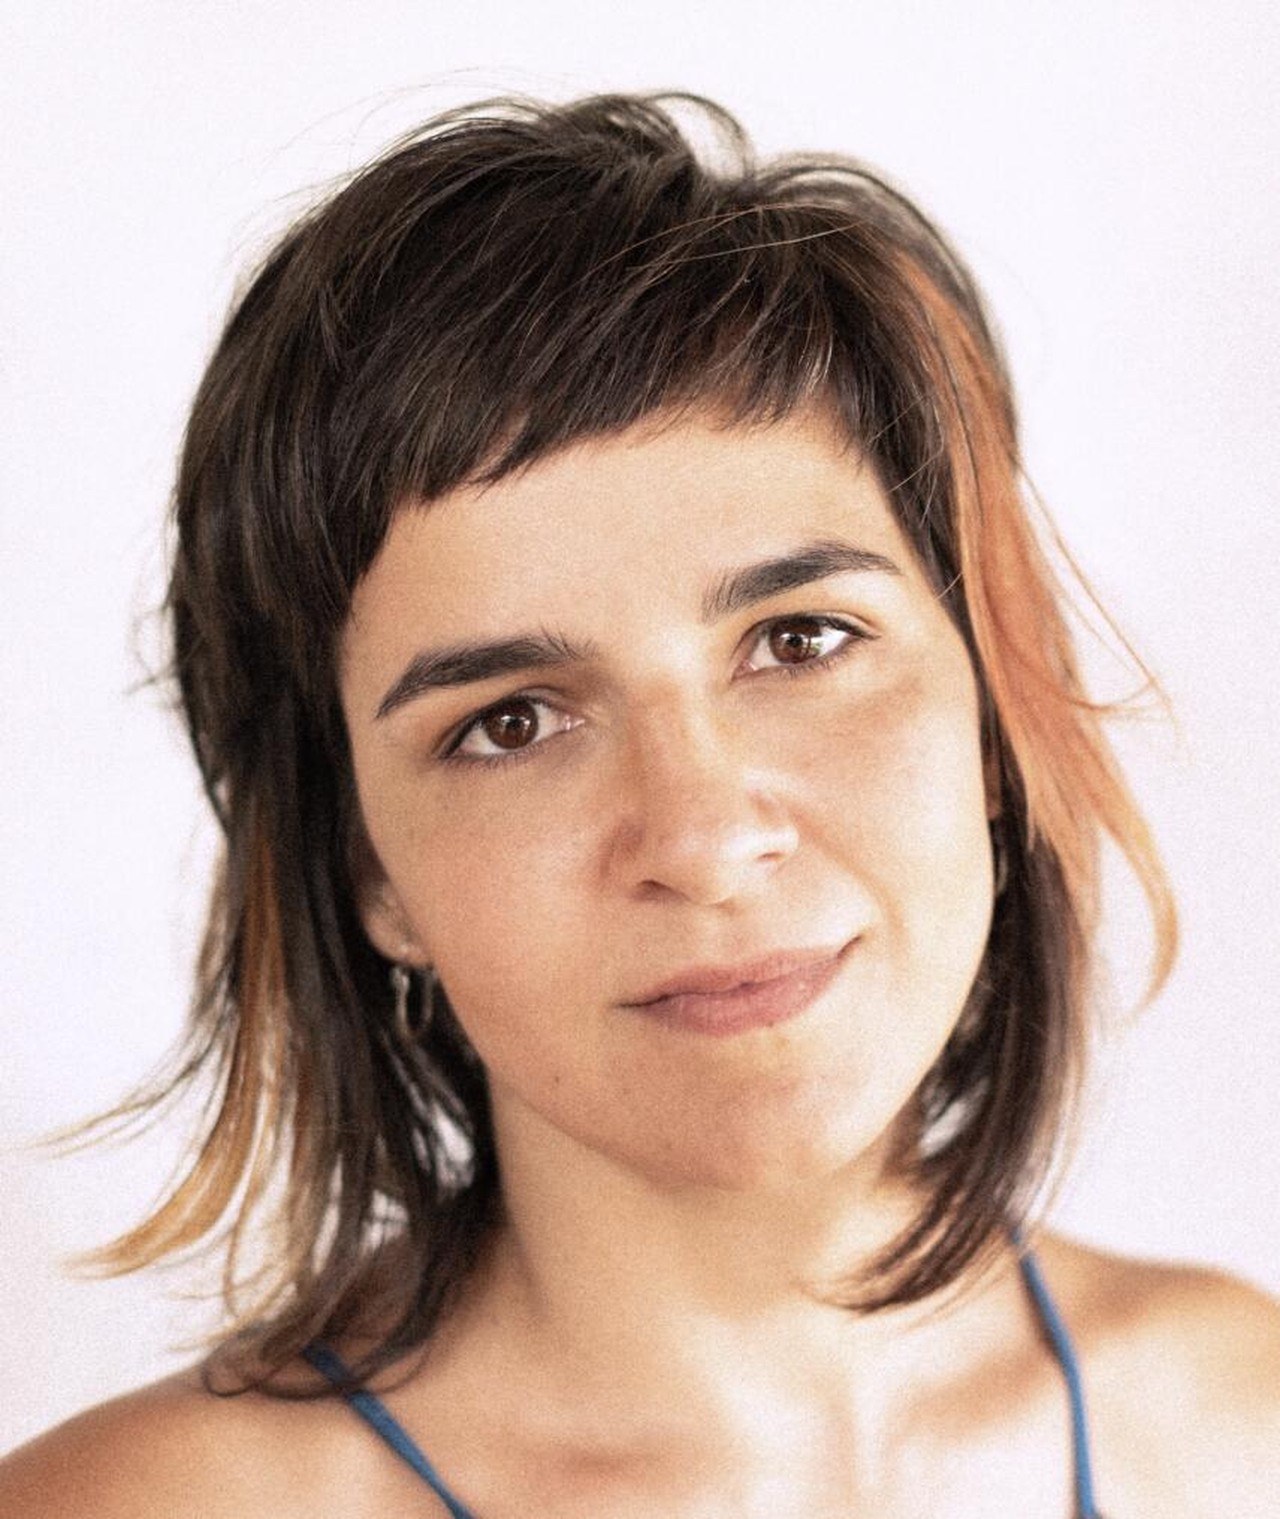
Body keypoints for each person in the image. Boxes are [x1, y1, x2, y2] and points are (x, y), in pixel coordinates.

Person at [2, 91, 1277, 1518]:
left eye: (802, 640)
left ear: (993, 704)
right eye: (511, 723)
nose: (706, 841)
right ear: (367, 871)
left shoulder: (1245, 1429)